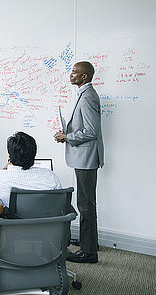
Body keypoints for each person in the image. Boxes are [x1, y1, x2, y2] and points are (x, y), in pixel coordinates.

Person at [54, 61, 104, 264]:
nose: (71, 75)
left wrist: (67, 137)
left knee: (85, 204)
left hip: (86, 158)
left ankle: (89, 252)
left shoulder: (88, 96)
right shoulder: (85, 94)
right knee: (86, 203)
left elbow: (91, 131)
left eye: (75, 73)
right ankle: (89, 242)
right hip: (83, 157)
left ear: (85, 77)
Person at [0, 131, 61, 207]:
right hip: (47, 218)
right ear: (34, 155)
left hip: (13, 218)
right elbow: (58, 202)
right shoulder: (50, 176)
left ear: (9, 156)